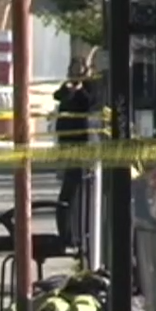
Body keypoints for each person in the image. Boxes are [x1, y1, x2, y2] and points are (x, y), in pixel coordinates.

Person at [52, 59, 96, 243]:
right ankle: (67, 234)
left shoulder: (88, 91)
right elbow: (57, 95)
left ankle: (75, 234)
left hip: (81, 146)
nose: (75, 76)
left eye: (79, 72)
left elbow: (89, 102)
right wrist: (69, 88)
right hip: (67, 145)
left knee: (77, 190)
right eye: (73, 72)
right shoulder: (66, 91)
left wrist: (80, 87)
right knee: (68, 189)